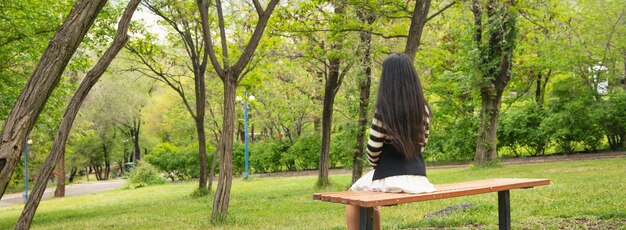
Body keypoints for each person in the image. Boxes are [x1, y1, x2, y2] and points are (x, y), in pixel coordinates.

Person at [346, 53, 436, 230]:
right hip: (419, 177)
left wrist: (374, 166)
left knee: (353, 198)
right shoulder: (423, 107)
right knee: (366, 199)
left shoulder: (384, 109)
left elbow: (373, 150)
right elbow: (422, 144)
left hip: (390, 177)